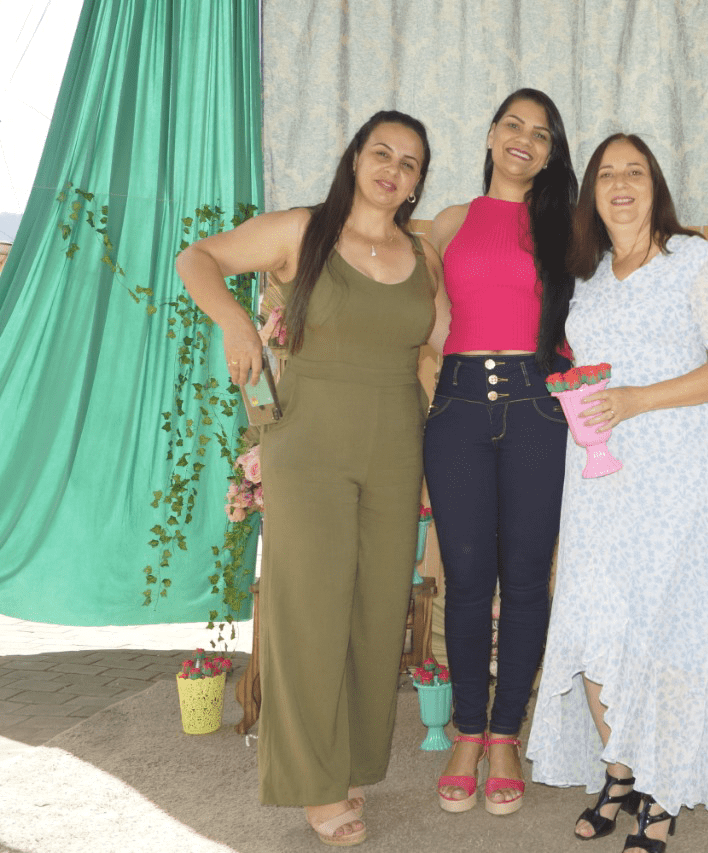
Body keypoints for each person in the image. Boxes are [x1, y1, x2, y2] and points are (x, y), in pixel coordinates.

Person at [177, 110, 441, 847]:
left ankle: (346, 761)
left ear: (418, 183)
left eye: (410, 163)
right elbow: (196, 258)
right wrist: (234, 321)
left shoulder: (422, 254)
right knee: (310, 611)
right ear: (355, 158)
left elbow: (442, 344)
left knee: (375, 611)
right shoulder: (301, 230)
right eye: (382, 152)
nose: (393, 169)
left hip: (397, 445)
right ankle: (313, 781)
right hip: (310, 443)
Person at [526, 133, 708, 853]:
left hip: (673, 467)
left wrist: (636, 399)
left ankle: (660, 789)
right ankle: (619, 771)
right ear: (591, 192)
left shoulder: (698, 260)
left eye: (635, 172)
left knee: (663, 625)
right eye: (607, 174)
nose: (621, 184)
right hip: (597, 474)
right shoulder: (585, 276)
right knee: (594, 619)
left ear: (656, 186)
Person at [422, 88, 577, 816]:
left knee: (524, 578)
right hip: (456, 407)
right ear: (489, 135)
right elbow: (430, 323)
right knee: (465, 576)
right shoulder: (450, 222)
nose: (525, 139)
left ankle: (506, 731)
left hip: (536, 408)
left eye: (541, 133)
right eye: (514, 125)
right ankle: (467, 731)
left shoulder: (566, 229)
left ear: (550, 154)